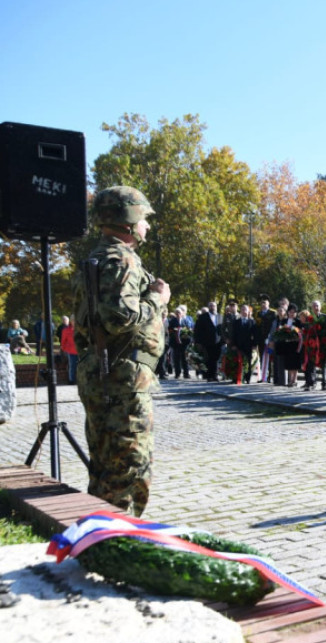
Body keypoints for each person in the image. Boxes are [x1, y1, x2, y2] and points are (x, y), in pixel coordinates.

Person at [73, 185, 170, 516]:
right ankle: (118, 539)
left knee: (105, 465)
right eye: (144, 218)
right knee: (128, 467)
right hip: (121, 379)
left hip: (103, 373)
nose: (147, 225)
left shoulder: (96, 258)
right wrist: (158, 298)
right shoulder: (121, 259)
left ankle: (99, 534)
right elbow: (120, 317)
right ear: (128, 219)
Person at [302, 300, 326, 391]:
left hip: (322, 344)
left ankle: (324, 383)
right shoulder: (309, 318)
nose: (316, 308)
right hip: (312, 345)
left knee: (323, 364)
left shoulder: (325, 317)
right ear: (312, 308)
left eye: (317, 306)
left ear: (320, 307)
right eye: (314, 306)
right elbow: (306, 330)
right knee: (311, 364)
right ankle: (311, 383)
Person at [194, 300, 221, 382]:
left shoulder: (220, 316)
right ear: (208, 307)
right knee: (208, 359)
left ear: (216, 307)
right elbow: (197, 330)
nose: (212, 307)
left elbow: (223, 329)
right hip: (207, 341)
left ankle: (215, 375)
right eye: (211, 306)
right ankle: (209, 376)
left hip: (218, 341)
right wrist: (198, 342)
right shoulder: (203, 317)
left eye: (214, 306)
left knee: (216, 359)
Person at [59, 317, 78, 384]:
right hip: (71, 350)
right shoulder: (66, 330)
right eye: (73, 321)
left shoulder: (79, 329)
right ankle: (71, 380)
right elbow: (63, 341)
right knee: (72, 365)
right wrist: (64, 349)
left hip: (80, 350)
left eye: (75, 321)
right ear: (71, 321)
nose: (74, 322)